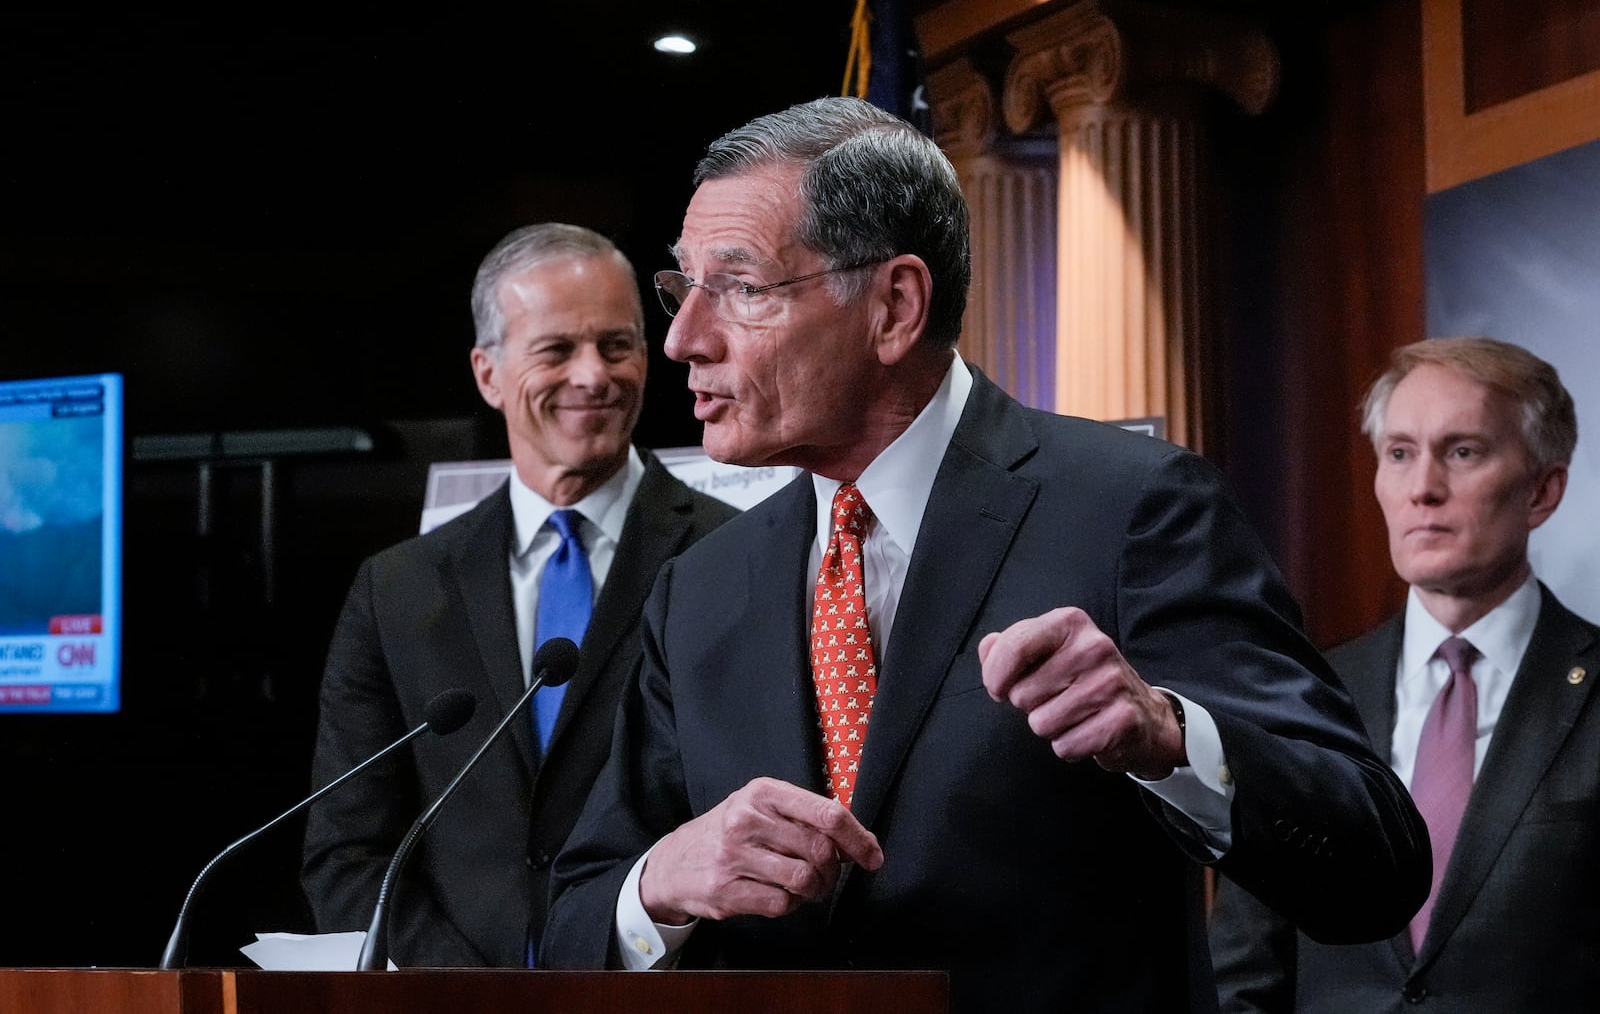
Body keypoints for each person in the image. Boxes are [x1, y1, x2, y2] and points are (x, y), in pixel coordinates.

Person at [540, 96, 1429, 1012]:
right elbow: (569, 922)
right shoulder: (698, 588)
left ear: (894, 305)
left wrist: (1170, 735)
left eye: (742, 288)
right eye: (683, 288)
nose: (685, 338)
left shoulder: (1134, 507)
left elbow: (1374, 863)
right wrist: (659, 884)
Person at [300, 223, 738, 967]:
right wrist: (473, 995)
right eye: (557, 349)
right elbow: (347, 852)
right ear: (488, 373)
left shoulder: (735, 558)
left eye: (617, 343)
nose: (594, 375)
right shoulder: (395, 589)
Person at [1210, 336, 1598, 1012]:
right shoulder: (1305, 696)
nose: (1423, 487)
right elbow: (1244, 972)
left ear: (1543, 489)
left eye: (1463, 451)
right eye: (1400, 453)